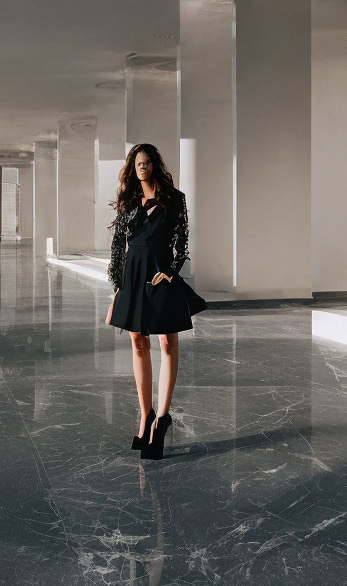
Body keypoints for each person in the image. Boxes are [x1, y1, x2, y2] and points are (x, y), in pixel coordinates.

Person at [104, 143, 206, 460]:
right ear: (132, 168)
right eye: (138, 164)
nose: (142, 168)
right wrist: (117, 287)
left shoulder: (175, 200)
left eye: (147, 163)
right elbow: (118, 249)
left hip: (160, 275)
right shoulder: (128, 201)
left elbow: (182, 242)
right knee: (137, 341)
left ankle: (162, 419)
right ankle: (145, 414)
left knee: (167, 343)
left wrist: (172, 273)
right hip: (133, 276)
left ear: (156, 166)